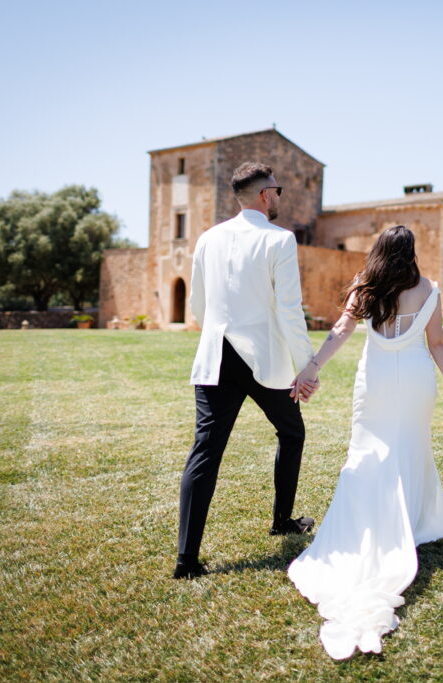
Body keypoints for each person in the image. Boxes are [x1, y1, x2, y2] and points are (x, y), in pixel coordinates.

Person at [286, 225, 443, 659]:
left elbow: (341, 330)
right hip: (415, 381)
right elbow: (437, 343)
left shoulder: (366, 285)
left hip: (374, 381)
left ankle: (375, 520)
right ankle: (412, 519)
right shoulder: (429, 290)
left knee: (367, 450)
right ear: (411, 253)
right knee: (410, 448)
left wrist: (312, 368)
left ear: (379, 251)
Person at [173, 162, 318, 580]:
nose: (278, 197)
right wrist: (306, 365)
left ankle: (186, 560)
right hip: (262, 358)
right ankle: (282, 520)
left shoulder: (207, 238)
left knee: (205, 451)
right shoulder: (280, 239)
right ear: (264, 195)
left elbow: (197, 304)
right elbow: (289, 309)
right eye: (278, 190)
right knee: (291, 431)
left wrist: (218, 330)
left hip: (216, 356)